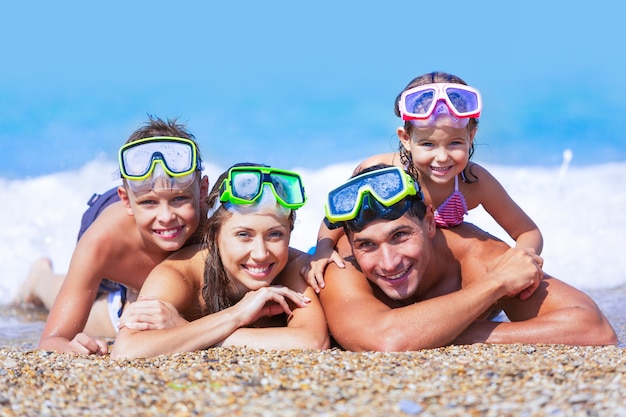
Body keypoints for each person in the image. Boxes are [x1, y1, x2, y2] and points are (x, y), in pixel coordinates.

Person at [318, 165, 617, 351]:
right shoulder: (342, 266)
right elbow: (386, 340)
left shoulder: (475, 254)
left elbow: (593, 327)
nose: (389, 262)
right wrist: (494, 286)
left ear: (430, 223)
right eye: (367, 245)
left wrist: (456, 332)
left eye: (400, 236)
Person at [303, 71, 543, 291]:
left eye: (455, 143)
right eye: (428, 144)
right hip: (377, 263)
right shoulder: (382, 171)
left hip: (419, 270)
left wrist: (521, 258)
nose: (442, 157)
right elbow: (335, 216)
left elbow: (528, 231)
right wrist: (322, 250)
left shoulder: (474, 182)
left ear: (471, 135)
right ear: (406, 138)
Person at [15, 116, 209, 355]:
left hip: (144, 262)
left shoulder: (215, 228)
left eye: (179, 198)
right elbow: (51, 340)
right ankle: (39, 279)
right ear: (126, 200)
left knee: (136, 312)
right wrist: (70, 347)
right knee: (77, 293)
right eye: (149, 202)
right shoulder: (101, 242)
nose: (166, 216)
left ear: (202, 192)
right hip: (114, 235)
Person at [110, 164, 330, 359]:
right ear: (214, 235)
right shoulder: (179, 273)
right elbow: (126, 351)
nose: (261, 253)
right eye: (244, 235)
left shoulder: (294, 267)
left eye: (275, 235)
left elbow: (313, 342)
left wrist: (189, 329)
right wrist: (236, 315)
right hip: (112, 309)